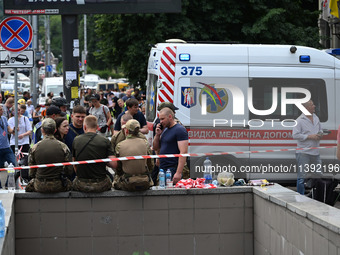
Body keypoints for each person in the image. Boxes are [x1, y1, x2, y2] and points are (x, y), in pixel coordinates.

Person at [26, 118, 73, 193]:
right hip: (58, 185)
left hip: (40, 185)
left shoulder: (34, 147)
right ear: (55, 130)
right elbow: (69, 170)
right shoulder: (63, 147)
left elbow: (31, 172)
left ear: (42, 130)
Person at [72, 115, 115, 192]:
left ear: (84, 127)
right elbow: (114, 164)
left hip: (81, 184)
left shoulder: (76, 140)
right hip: (101, 184)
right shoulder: (105, 140)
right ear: (97, 127)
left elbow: (74, 163)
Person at [112, 119, 154, 191]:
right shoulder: (145, 143)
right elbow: (151, 165)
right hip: (144, 182)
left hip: (127, 183)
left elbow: (118, 168)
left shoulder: (119, 145)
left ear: (127, 131)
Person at [293, 100, 323, 195]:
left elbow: (320, 130)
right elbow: (295, 135)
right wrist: (310, 136)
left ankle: (316, 195)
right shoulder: (299, 120)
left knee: (318, 175)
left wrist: (320, 134)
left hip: (315, 152)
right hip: (303, 153)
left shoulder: (316, 118)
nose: (314, 106)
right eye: (312, 105)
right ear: (306, 108)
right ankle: (300, 196)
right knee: (302, 177)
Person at [153, 107, 188, 185]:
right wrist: (157, 135)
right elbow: (156, 147)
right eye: (160, 119)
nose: (160, 122)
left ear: (170, 117)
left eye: (163, 119)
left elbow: (183, 152)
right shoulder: (165, 130)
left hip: (172, 168)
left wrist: (178, 172)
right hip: (163, 168)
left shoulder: (179, 130)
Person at [0, 104, 15, 172]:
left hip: (6, 147)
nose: (2, 111)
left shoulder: (4, 119)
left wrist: (13, 130)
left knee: (14, 165)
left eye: (2, 109)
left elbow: (9, 130)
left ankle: (8, 182)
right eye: (0, 110)